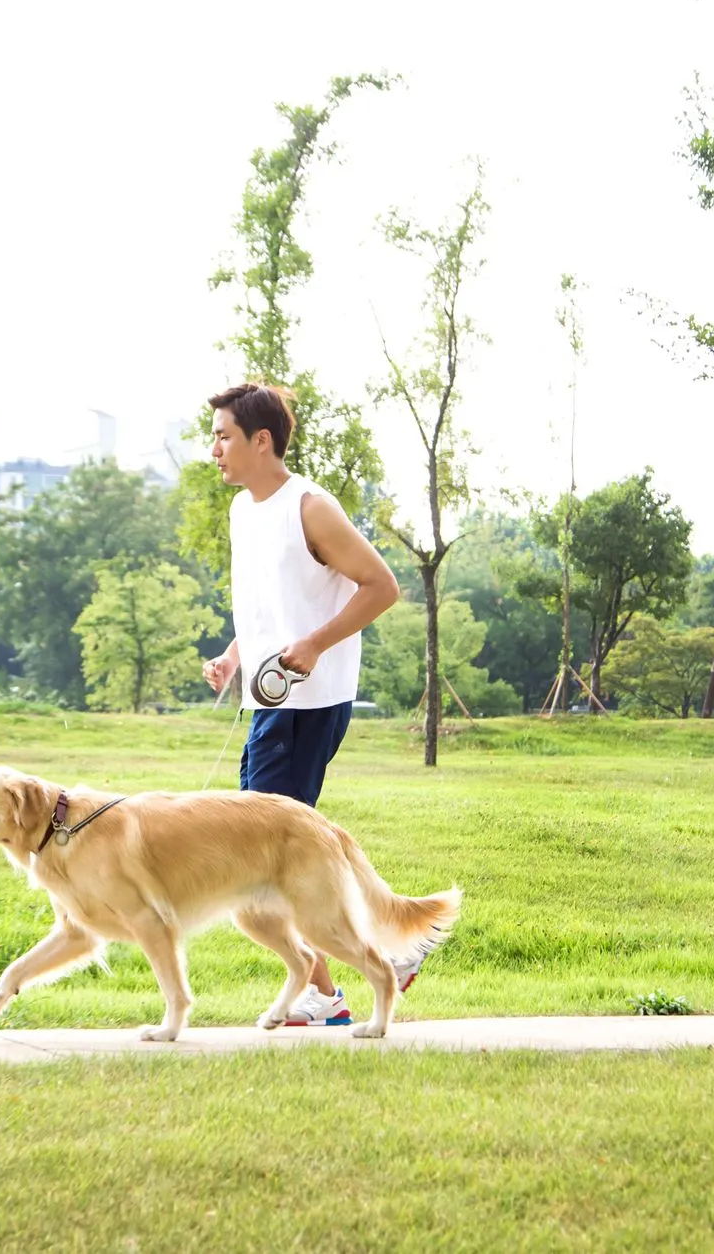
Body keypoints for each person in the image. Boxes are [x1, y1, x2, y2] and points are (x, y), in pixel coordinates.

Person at [201, 382, 415, 1028]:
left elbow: (383, 586)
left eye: (223, 436)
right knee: (271, 851)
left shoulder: (311, 508)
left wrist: (318, 644)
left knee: (268, 853)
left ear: (261, 440)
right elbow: (270, 606)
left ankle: (335, 988)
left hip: (308, 704)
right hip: (268, 699)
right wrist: (234, 656)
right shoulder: (243, 510)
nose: (214, 449)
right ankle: (371, 963)